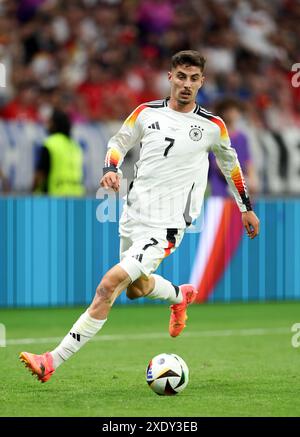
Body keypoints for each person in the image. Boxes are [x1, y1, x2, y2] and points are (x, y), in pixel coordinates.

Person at [20, 50, 259, 383]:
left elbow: (231, 166)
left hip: (168, 224)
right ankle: (180, 295)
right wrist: (111, 168)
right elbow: (119, 142)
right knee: (136, 288)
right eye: (181, 77)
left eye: (194, 79)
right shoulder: (146, 113)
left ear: (202, 82)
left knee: (108, 286)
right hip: (134, 215)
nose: (186, 85)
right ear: (170, 77)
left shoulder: (211, 126)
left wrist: (246, 208)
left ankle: (51, 360)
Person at [208, 97, 259, 197]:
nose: (232, 113)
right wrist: (240, 182)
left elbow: (248, 161)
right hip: (220, 189)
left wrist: (253, 180)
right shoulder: (215, 136)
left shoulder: (242, 137)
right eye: (228, 110)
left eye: (234, 110)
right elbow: (218, 165)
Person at [32, 108, 85, 196]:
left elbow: (41, 173)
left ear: (55, 124)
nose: (47, 125)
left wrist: (33, 191)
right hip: (76, 196)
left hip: (55, 196)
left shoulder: (50, 143)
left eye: (49, 122)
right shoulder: (75, 145)